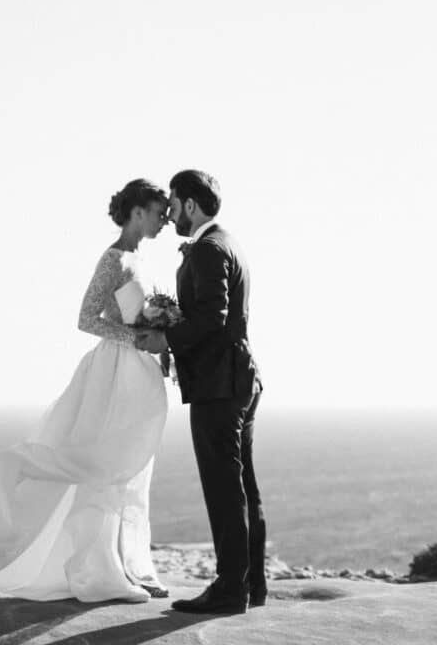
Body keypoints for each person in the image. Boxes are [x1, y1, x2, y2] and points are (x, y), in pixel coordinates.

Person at [0, 178, 170, 603]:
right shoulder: (113, 259)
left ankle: (132, 564)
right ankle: (100, 570)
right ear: (137, 212)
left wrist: (157, 333)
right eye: (159, 213)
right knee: (102, 467)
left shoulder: (138, 259)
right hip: (112, 373)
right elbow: (87, 318)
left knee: (129, 472)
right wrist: (136, 337)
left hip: (136, 374)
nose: (164, 221)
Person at [137, 169, 267, 614]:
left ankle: (231, 589)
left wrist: (166, 340)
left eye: (173, 203)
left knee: (224, 487)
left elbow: (212, 317)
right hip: (237, 379)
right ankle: (253, 586)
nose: (170, 212)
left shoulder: (209, 250)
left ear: (190, 205)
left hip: (220, 384)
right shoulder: (227, 243)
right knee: (242, 485)